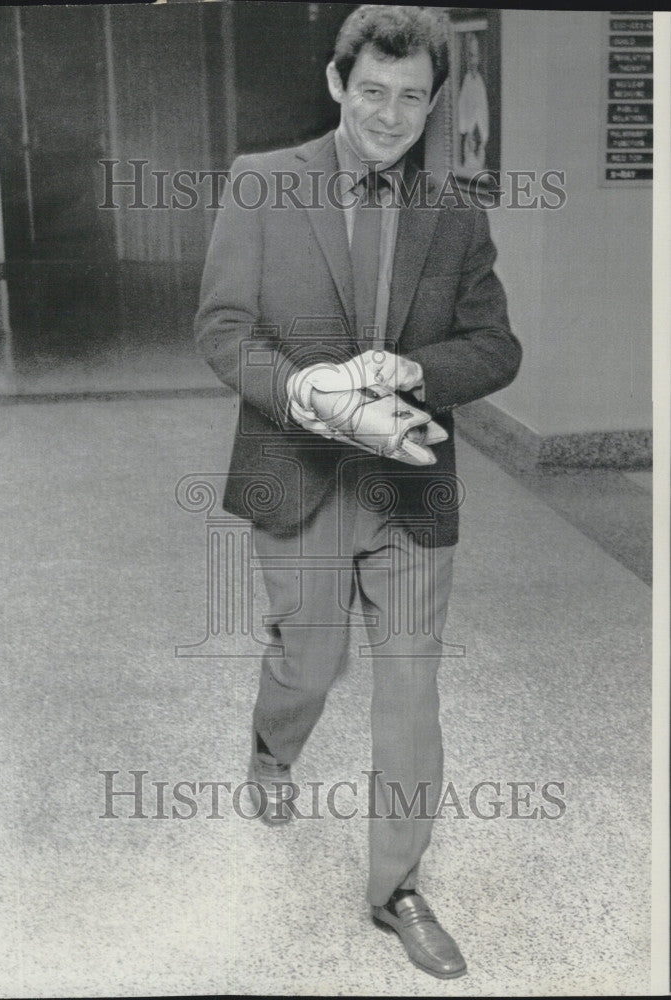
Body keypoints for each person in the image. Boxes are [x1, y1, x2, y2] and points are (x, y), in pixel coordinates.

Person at [195, 4, 521, 980]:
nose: (388, 115)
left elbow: (494, 347)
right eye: (371, 91)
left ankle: (395, 889)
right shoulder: (261, 184)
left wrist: (412, 373)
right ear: (338, 83)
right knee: (310, 658)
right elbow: (220, 329)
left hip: (407, 485)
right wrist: (309, 389)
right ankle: (270, 747)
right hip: (294, 468)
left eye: (411, 98)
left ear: (433, 103)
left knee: (409, 689)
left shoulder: (453, 213)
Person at [457, 31, 489, 172]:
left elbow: (483, 109)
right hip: (470, 131)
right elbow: (463, 107)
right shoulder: (467, 80)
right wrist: (467, 131)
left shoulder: (482, 81)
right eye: (470, 56)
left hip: (480, 130)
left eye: (475, 56)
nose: (473, 61)